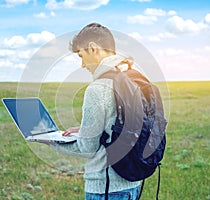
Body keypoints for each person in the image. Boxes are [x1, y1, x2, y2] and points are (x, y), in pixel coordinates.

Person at [49, 22, 141, 200]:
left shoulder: (98, 88)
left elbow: (87, 148)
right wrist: (85, 129)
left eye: (81, 56)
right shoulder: (131, 77)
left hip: (106, 188)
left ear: (92, 48)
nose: (83, 65)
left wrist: (52, 143)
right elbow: (118, 124)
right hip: (132, 183)